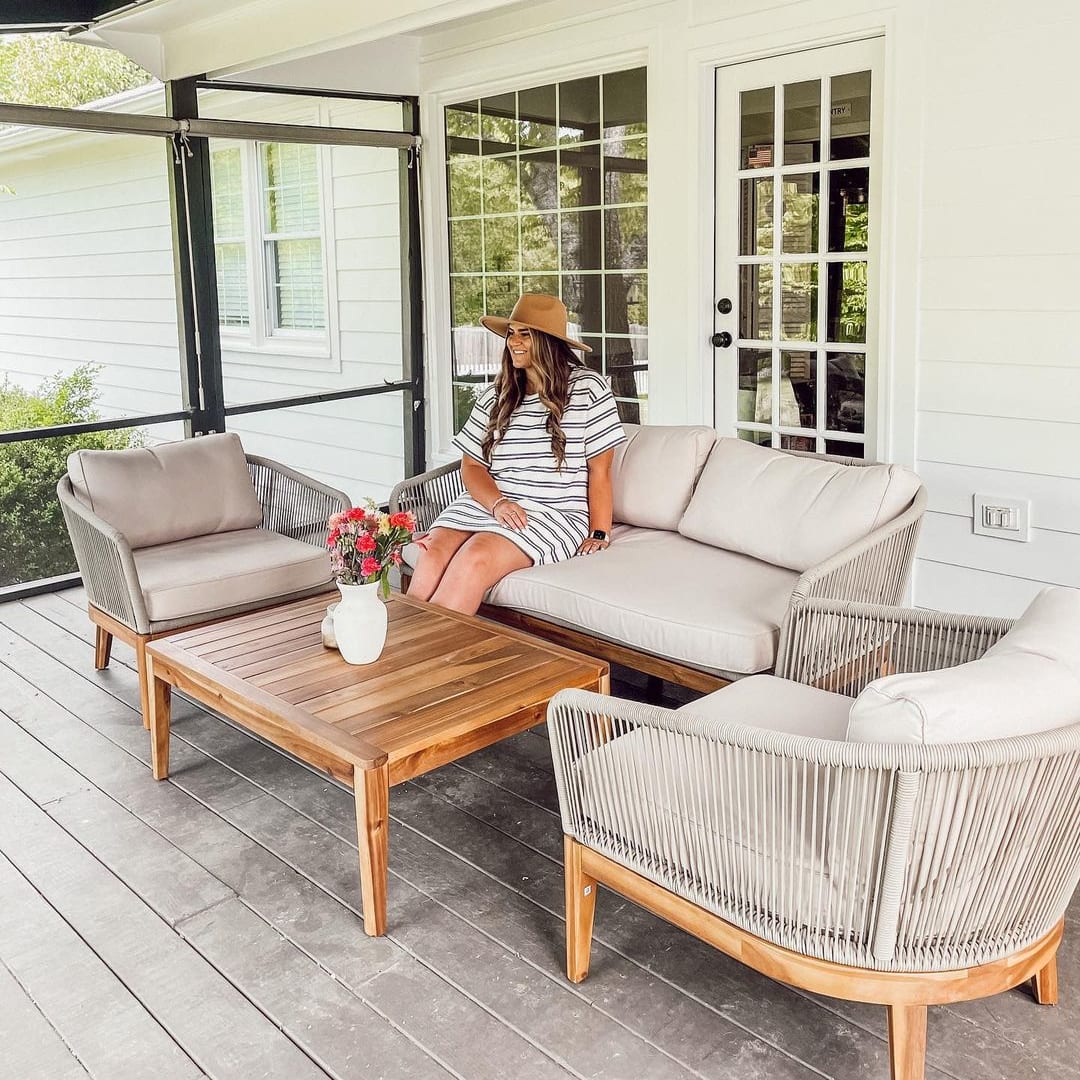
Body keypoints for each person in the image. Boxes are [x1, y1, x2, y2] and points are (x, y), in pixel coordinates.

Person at [409, 293, 626, 615]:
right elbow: (472, 466)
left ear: (549, 342)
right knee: (433, 553)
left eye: (526, 334)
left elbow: (600, 472)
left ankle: (428, 659)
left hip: (552, 513)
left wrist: (599, 532)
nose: (514, 342)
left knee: (474, 557)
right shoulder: (496, 395)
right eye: (511, 333)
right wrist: (497, 503)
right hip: (489, 503)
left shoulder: (588, 389)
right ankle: (400, 650)